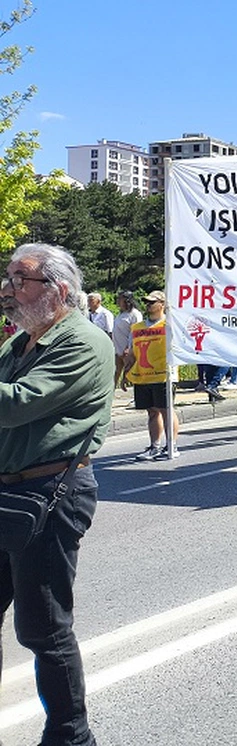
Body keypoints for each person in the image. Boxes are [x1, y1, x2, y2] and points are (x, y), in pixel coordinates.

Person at [0, 243, 112, 746]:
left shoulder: (84, 341)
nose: (7, 290)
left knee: (43, 629)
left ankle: (71, 736)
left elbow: (18, 405)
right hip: (7, 492)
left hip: (50, 493)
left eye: (19, 280)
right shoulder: (18, 342)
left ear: (58, 290)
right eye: (6, 278)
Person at [124, 290, 179, 459]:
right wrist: (125, 373)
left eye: (152, 302)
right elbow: (132, 353)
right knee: (152, 411)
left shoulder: (169, 325)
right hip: (143, 376)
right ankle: (154, 446)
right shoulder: (137, 328)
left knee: (166, 410)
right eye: (147, 302)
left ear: (162, 304)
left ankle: (172, 446)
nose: (148, 305)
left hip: (164, 375)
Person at [112, 290, 142, 389]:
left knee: (130, 373)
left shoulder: (134, 314)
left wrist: (129, 347)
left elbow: (135, 332)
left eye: (120, 298)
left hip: (128, 350)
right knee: (115, 373)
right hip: (117, 349)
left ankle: (137, 394)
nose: (118, 301)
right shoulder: (121, 314)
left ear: (126, 300)